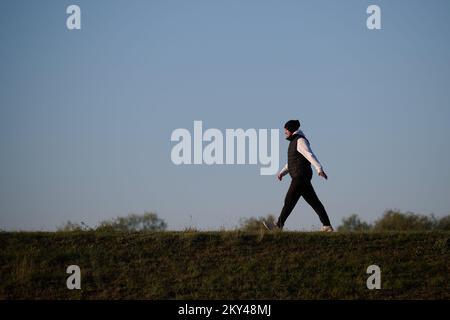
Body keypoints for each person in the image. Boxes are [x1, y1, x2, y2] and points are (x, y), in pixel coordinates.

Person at [264, 120, 334, 232]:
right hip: (300, 177)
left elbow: (309, 155)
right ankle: (327, 226)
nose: (285, 132)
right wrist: (282, 172)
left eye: (286, 130)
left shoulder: (300, 140)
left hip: (300, 177)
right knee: (314, 202)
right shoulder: (293, 142)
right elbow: (292, 161)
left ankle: (278, 225)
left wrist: (319, 169)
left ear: (291, 130)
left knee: (289, 200)